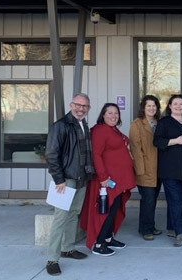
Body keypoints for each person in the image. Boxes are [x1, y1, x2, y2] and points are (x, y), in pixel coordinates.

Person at [44, 93, 94, 276]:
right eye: (78, 105)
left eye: (85, 106)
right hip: (65, 179)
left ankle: (68, 248)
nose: (81, 109)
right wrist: (59, 179)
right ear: (71, 104)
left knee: (74, 213)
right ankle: (52, 259)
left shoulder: (83, 125)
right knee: (60, 218)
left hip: (81, 177)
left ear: (88, 109)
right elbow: (51, 154)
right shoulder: (60, 126)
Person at [80, 103, 136, 256]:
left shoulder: (113, 130)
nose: (113, 116)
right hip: (106, 181)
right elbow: (96, 155)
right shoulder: (99, 130)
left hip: (118, 180)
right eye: (110, 113)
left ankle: (108, 238)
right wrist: (103, 177)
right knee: (105, 211)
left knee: (114, 208)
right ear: (103, 115)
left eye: (116, 113)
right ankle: (98, 244)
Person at [153, 94, 182, 247]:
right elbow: (157, 141)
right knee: (176, 200)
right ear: (170, 106)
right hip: (170, 171)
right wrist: (176, 141)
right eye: (175, 104)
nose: (178, 106)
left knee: (178, 200)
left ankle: (172, 227)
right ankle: (180, 233)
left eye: (181, 104)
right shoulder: (164, 122)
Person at [129, 95, 165, 240]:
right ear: (143, 108)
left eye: (154, 105)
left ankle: (148, 225)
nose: (151, 108)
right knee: (148, 200)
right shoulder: (136, 124)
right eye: (148, 105)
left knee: (152, 200)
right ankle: (146, 230)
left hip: (158, 169)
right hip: (144, 169)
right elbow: (135, 150)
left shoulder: (159, 123)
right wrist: (140, 171)